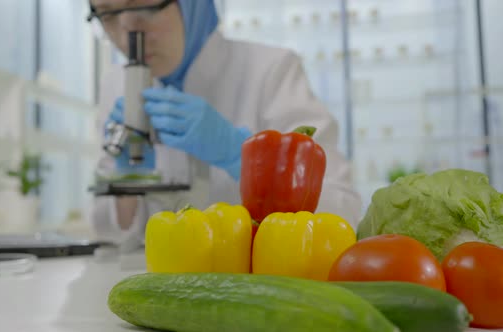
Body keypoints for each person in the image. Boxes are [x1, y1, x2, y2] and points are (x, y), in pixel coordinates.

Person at [90, 0, 362, 251]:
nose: (128, 35)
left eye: (145, 4)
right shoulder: (116, 85)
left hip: (254, 286)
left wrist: (243, 161)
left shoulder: (272, 71)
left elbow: (341, 212)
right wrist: (126, 180)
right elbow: (110, 235)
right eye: (106, 14)